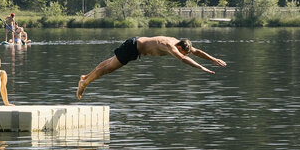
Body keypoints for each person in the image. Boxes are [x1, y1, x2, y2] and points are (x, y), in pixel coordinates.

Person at [76, 36, 226, 98]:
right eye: (185, 52)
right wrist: (201, 68)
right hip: (133, 47)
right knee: (108, 68)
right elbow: (182, 58)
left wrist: (212, 59)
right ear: (180, 48)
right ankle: (85, 82)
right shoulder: (170, 46)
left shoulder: (179, 43)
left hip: (135, 46)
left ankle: (85, 78)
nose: (188, 54)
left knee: (107, 64)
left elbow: (196, 51)